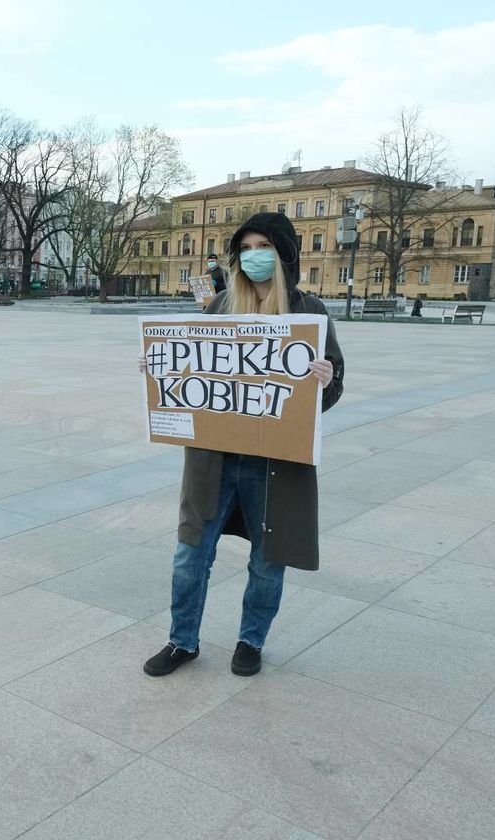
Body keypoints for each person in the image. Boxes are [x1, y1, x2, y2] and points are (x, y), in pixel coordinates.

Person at [139, 213, 345, 678]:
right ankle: (181, 641)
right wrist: (161, 368)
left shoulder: (308, 312)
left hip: (275, 462)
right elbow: (192, 369)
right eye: (247, 247)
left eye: (264, 246)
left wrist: (324, 382)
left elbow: (332, 390)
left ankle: (251, 641)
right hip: (213, 461)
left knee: (268, 559)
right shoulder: (218, 309)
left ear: (284, 254)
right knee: (191, 554)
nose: (254, 255)